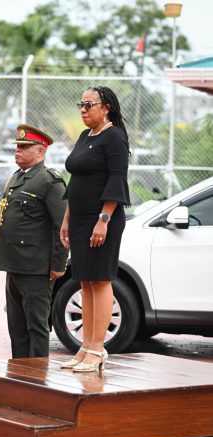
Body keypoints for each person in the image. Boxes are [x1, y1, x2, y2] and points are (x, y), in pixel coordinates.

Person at [60, 86, 130, 372]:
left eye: (89, 104)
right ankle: (85, 346)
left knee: (100, 280)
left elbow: (117, 179)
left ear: (106, 108)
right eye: (81, 105)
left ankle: (98, 349)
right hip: (79, 219)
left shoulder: (114, 137)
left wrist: (104, 219)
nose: (83, 109)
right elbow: (75, 180)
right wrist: (67, 218)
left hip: (102, 219)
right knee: (85, 281)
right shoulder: (85, 136)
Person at [0, 124, 69, 359]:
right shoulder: (17, 178)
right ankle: (19, 376)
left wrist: (58, 264)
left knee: (36, 327)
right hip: (13, 264)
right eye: (17, 146)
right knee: (16, 326)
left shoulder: (49, 181)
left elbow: (61, 225)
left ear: (41, 152)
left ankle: (37, 381)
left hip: (36, 267)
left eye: (25, 147)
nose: (18, 151)